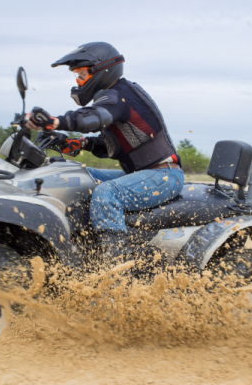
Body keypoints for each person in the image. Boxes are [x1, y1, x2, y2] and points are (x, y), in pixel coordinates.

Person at [25, 42, 184, 258]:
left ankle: (115, 263)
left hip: (163, 175)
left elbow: (95, 117)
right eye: (76, 75)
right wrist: (78, 143)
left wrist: (55, 122)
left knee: (106, 193)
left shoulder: (117, 94)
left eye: (82, 74)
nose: (78, 81)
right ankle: (79, 244)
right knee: (78, 175)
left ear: (102, 70)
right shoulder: (114, 99)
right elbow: (111, 146)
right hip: (141, 174)